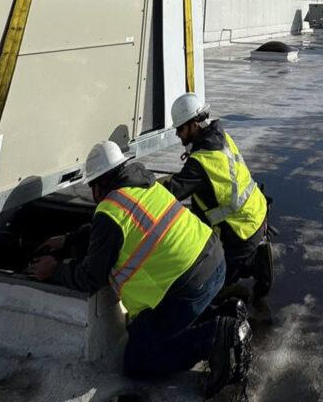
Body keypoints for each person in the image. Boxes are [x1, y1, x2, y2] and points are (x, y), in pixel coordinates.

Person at [27, 140, 251, 397]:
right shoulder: (144, 185)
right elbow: (117, 230)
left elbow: (90, 276)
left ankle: (216, 336)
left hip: (189, 286)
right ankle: (226, 313)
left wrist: (54, 270)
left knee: (138, 360)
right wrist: (68, 240)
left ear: (98, 184)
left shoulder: (110, 211)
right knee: (158, 326)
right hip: (214, 264)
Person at [166, 93, 273, 297]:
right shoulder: (219, 138)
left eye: (180, 129)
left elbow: (170, 192)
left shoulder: (200, 162)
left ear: (194, 125)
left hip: (243, 230)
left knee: (211, 288)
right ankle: (248, 257)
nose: (177, 134)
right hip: (256, 211)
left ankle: (255, 263)